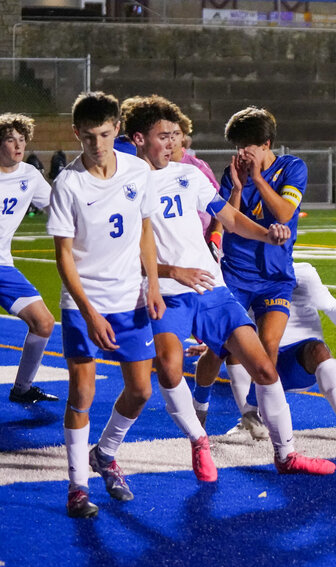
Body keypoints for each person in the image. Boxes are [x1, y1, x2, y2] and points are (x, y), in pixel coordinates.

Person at [47, 91, 166, 518]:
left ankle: (106, 452)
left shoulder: (138, 170)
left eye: (104, 134)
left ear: (117, 129)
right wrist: (89, 312)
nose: (97, 145)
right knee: (82, 389)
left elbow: (145, 231)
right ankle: (77, 487)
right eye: (88, 137)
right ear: (75, 134)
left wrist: (153, 284)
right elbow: (63, 257)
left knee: (141, 390)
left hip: (130, 298)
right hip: (84, 302)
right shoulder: (68, 183)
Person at [192, 107, 314, 445]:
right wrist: (239, 185)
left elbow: (286, 212)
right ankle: (198, 405)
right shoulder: (233, 173)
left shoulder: (293, 168)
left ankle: (250, 413)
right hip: (236, 274)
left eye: (249, 146)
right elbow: (228, 216)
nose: (242, 153)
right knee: (217, 350)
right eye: (238, 146)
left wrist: (259, 179)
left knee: (269, 347)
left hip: (275, 276)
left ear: (267, 144)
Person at [193, 262, 336, 443]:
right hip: (259, 363)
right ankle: (249, 417)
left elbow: (331, 306)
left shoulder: (303, 273)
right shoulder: (242, 276)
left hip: (297, 362)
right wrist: (215, 342)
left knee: (319, 350)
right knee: (232, 350)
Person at [0, 113, 57, 404]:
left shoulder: (30, 176)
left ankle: (21, 389)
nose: (18, 145)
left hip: (3, 267)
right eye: (11, 139)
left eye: (22, 140)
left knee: (44, 323)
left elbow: (58, 208)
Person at [169, 108, 219, 236]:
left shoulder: (197, 167)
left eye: (176, 133)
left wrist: (215, 237)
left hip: (201, 239)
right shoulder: (153, 167)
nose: (171, 138)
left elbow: (219, 204)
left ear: (184, 136)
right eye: (167, 134)